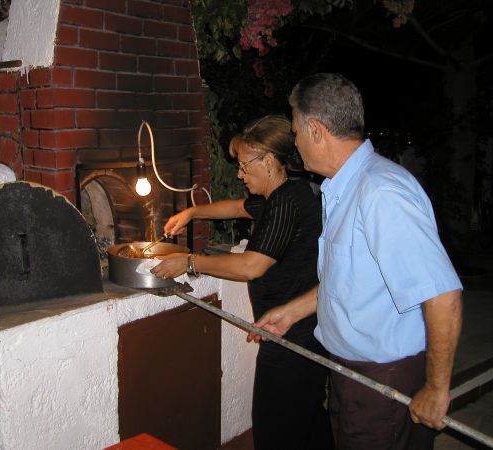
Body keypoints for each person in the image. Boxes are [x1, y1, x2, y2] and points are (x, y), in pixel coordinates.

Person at [250, 73, 463, 450]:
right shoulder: (344, 188)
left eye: (296, 132)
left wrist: (436, 387)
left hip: (382, 380)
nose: (295, 143)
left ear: (315, 130)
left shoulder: (380, 192)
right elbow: (350, 279)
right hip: (354, 375)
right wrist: (293, 312)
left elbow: (442, 295)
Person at [151, 115, 333, 450]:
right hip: (301, 330)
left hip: (293, 336)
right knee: (307, 422)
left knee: (275, 430)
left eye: (244, 165)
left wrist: (189, 262)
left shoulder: (286, 202)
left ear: (268, 160)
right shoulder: (278, 197)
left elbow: (251, 266)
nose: (239, 173)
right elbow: (237, 208)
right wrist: (192, 213)